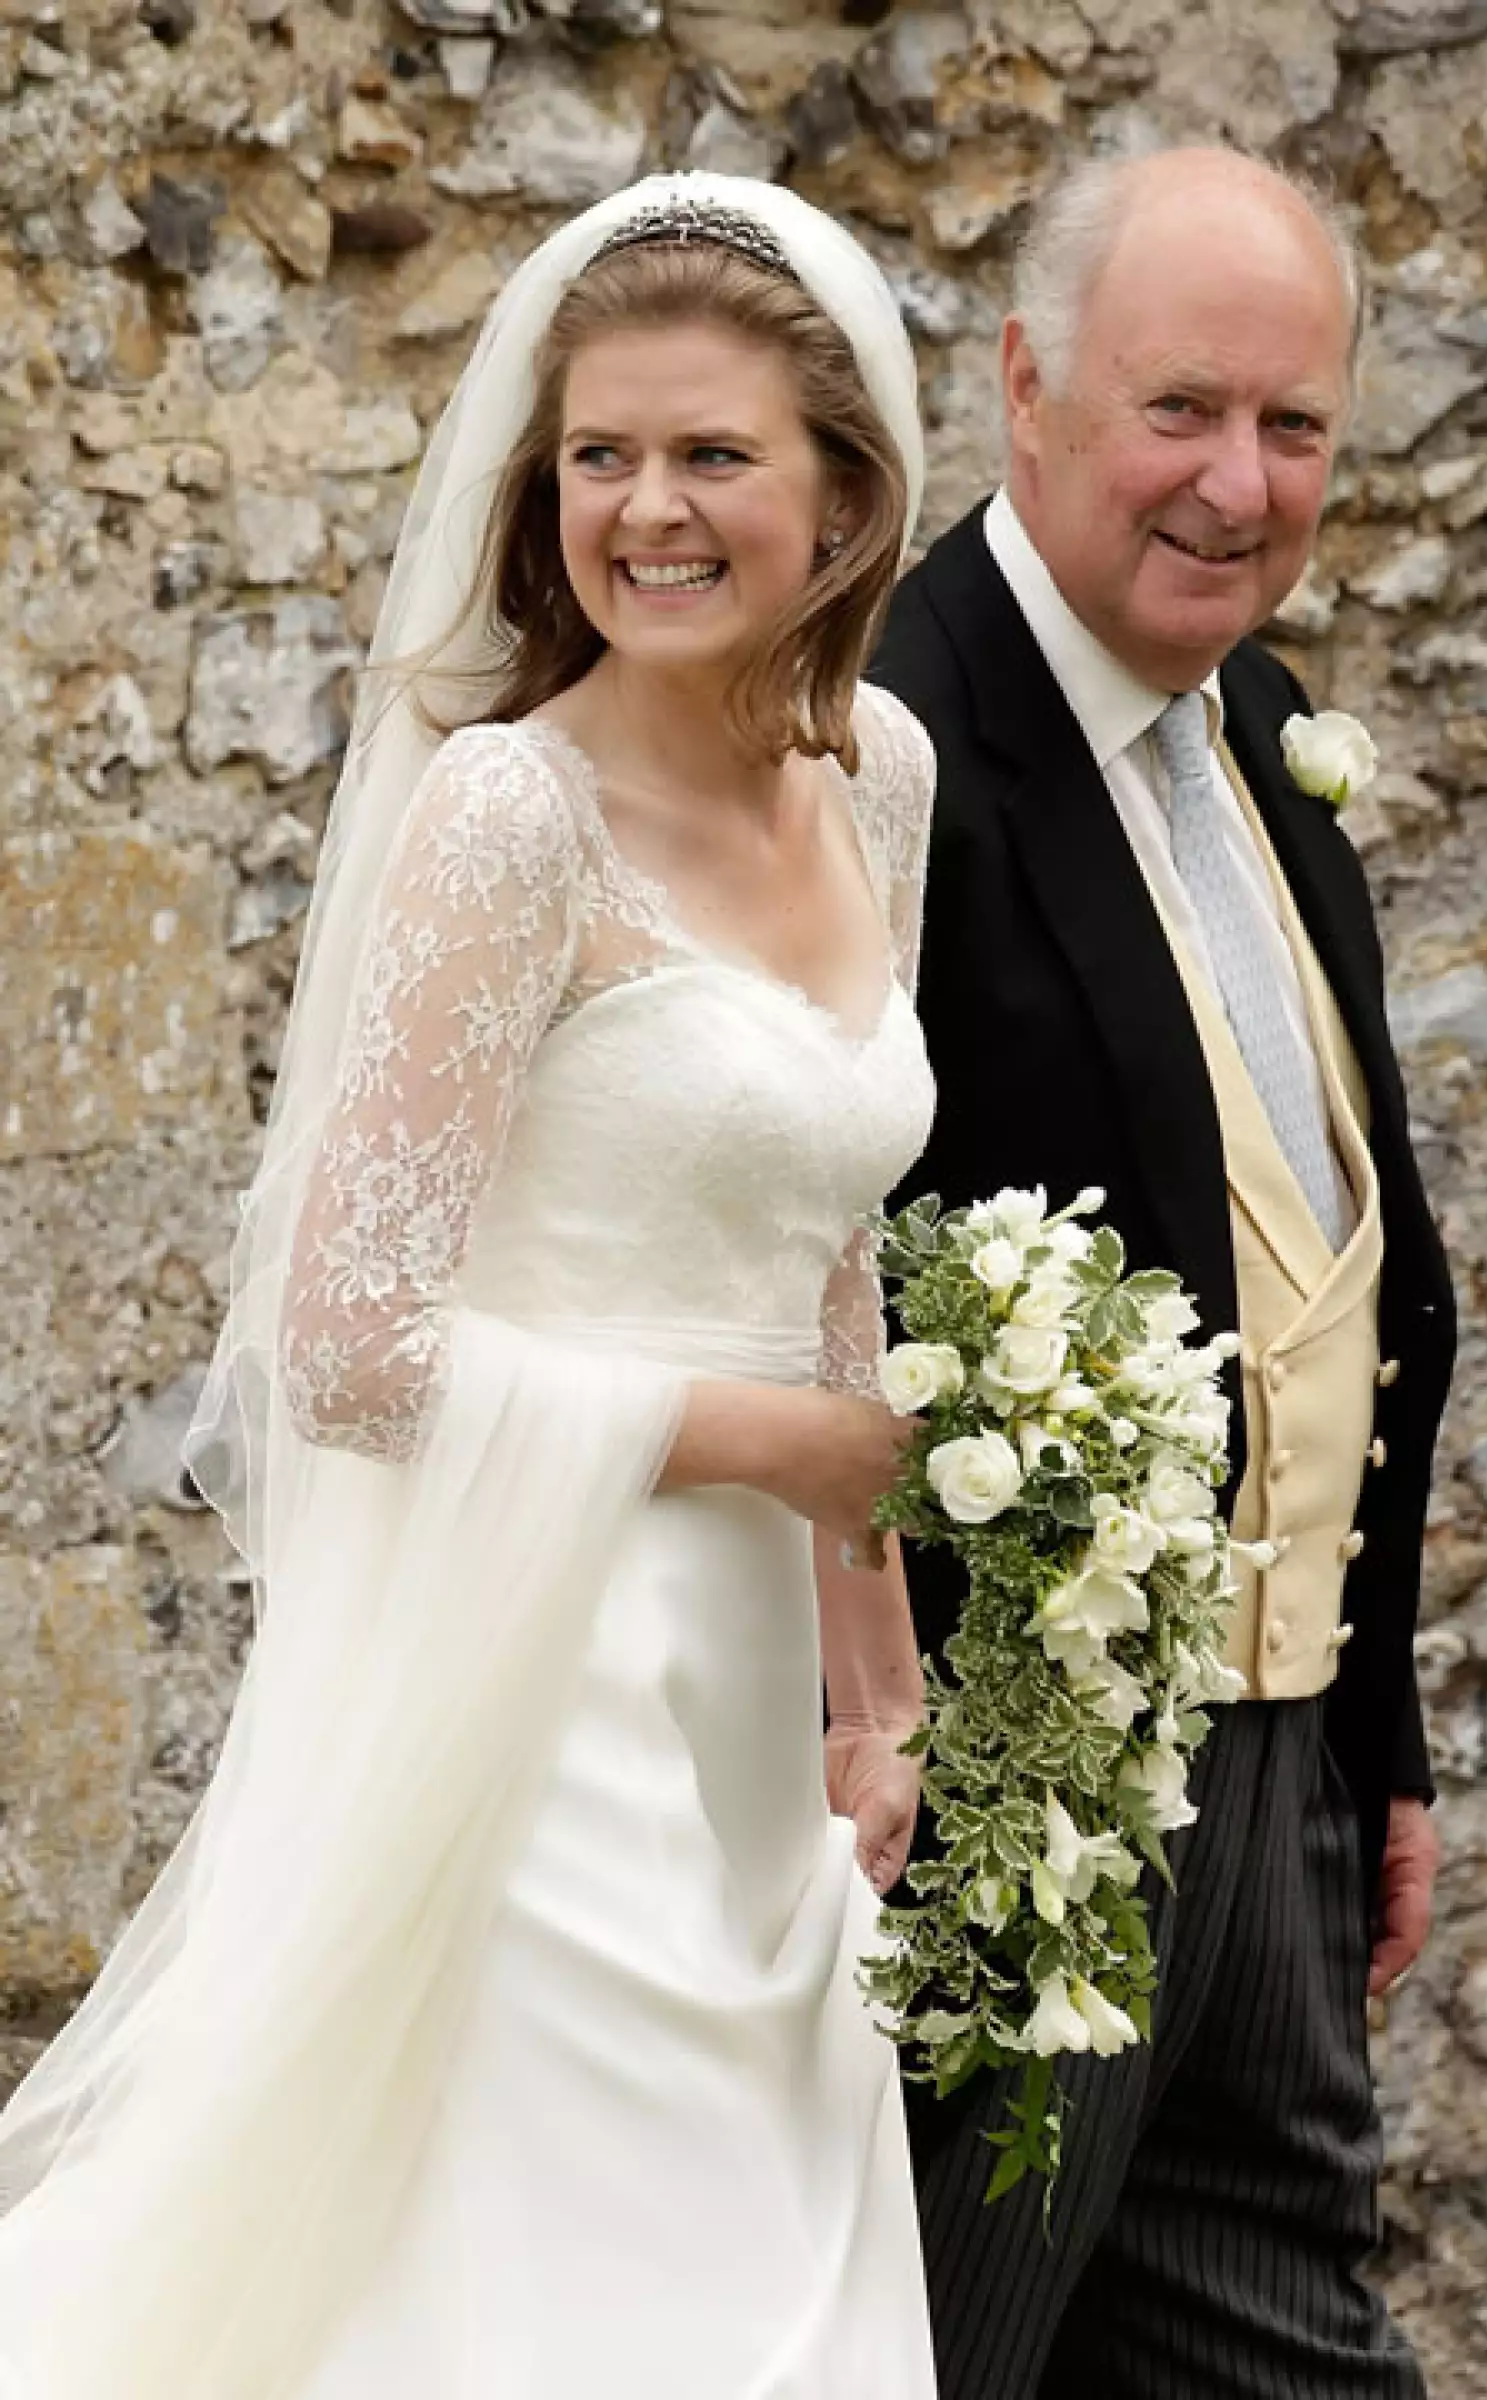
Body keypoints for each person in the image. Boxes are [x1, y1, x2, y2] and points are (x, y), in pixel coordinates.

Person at [0, 172, 940, 2400]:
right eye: (600, 454)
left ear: (842, 494)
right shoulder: (512, 817)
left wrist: (878, 1685)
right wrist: (775, 1444)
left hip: (759, 1742)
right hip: (540, 1688)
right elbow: (348, 1345)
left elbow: (823, 1244)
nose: (647, 510)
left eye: (710, 453)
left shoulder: (877, 778)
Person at [873, 146, 1457, 2400]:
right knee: (931, 2358)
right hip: (1001, 1826)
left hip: (1278, 1798)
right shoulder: (884, 743)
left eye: (1292, 426)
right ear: (1025, 388)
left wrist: (1370, 1746)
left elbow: (1352, 1289)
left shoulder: (1264, 730)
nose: (1239, 484)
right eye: (1180, 410)